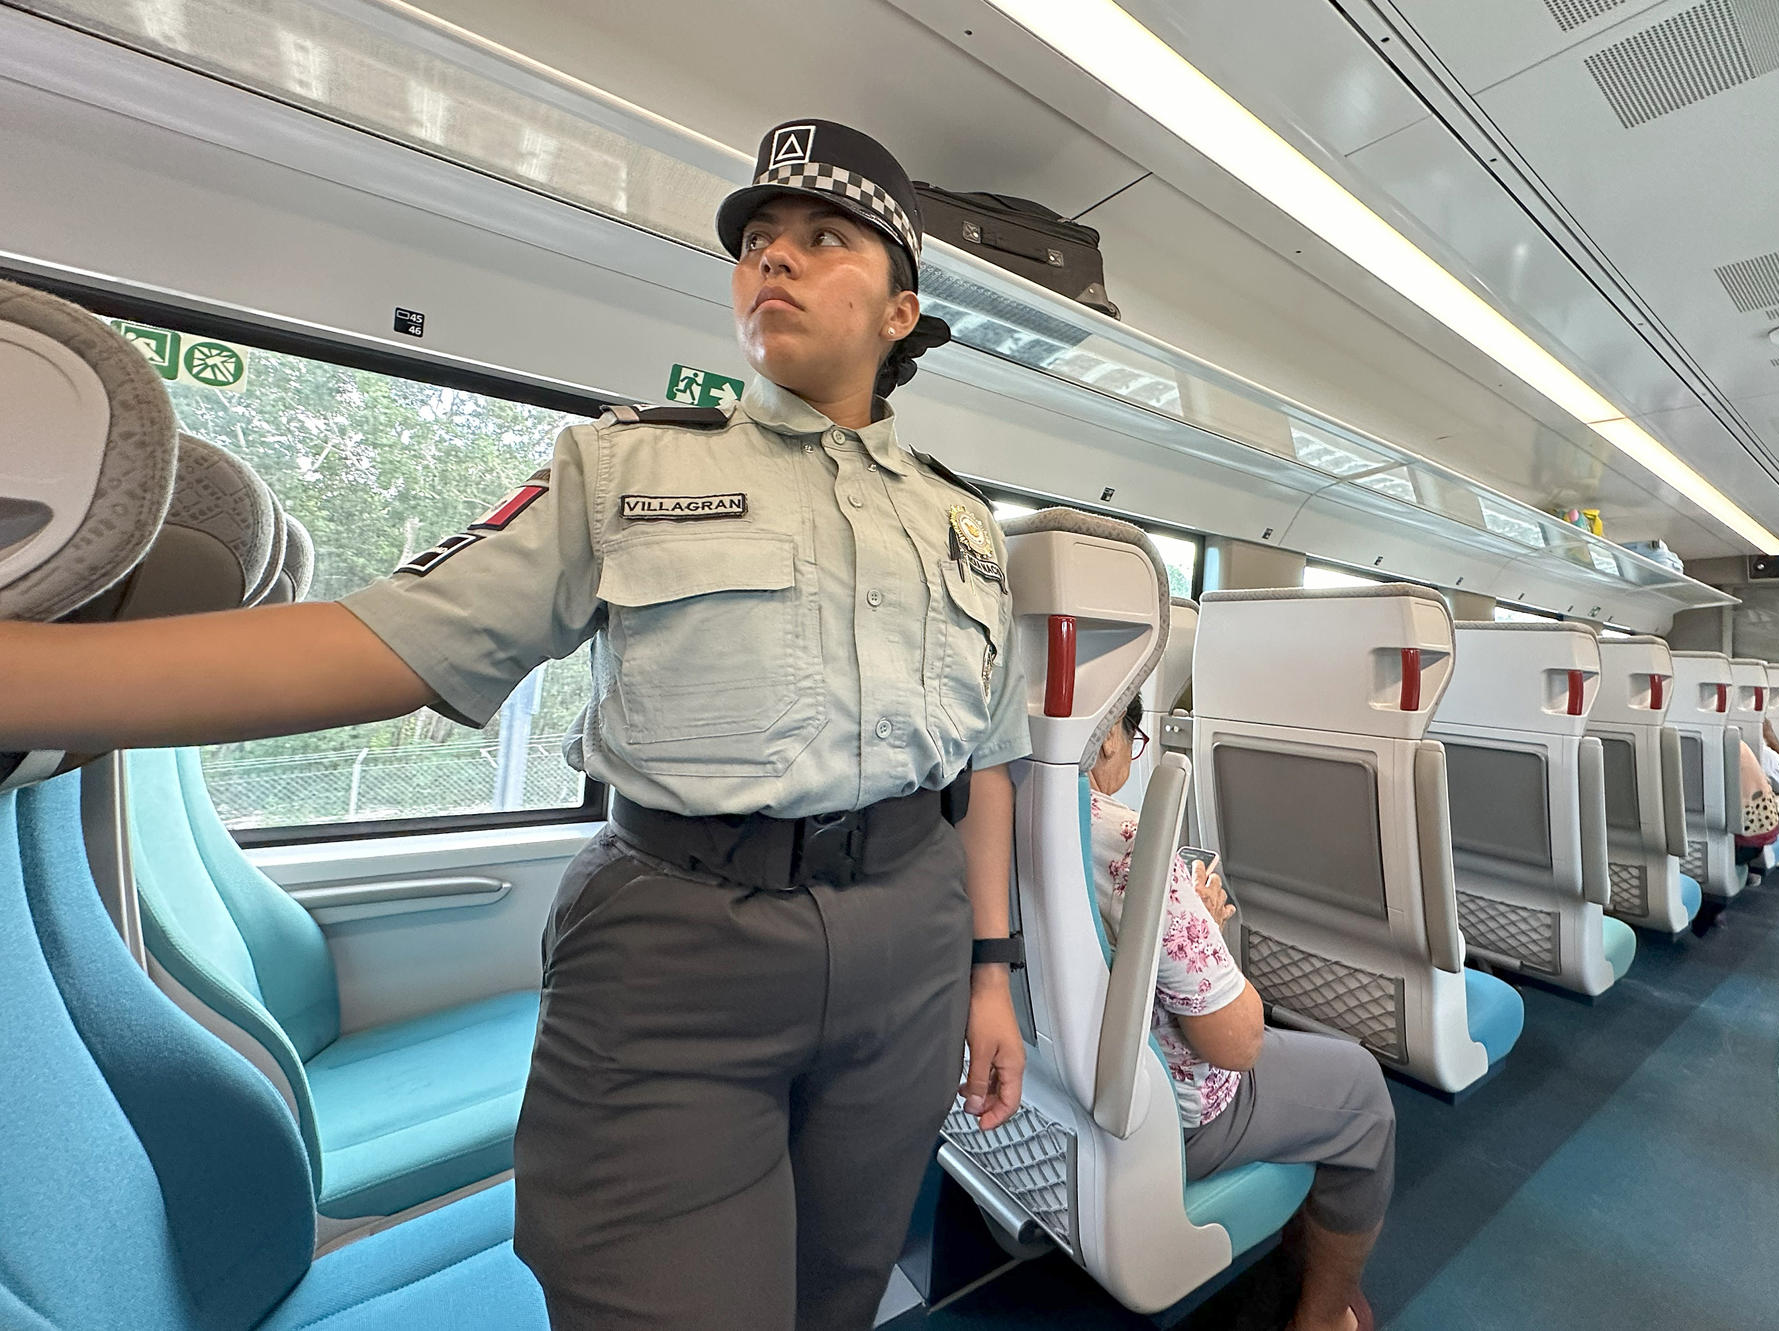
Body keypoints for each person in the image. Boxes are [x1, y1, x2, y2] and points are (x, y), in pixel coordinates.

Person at [0, 120, 1033, 1331]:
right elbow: (383, 641)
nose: (775, 262)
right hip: (681, 942)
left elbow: (990, 764)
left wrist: (991, 974)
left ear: (903, 311)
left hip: (909, 936)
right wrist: (30, 671)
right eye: (756, 244)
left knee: (843, 1289)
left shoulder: (966, 525)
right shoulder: (625, 464)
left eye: (821, 239)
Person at [1086, 695, 1394, 1331]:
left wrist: (1179, 919)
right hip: (1164, 1114)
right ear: (1110, 737)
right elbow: (1236, 1044)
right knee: (1362, 1091)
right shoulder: (1127, 843)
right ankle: (1321, 1318)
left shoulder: (982, 820)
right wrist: (1202, 926)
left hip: (1046, 1100)